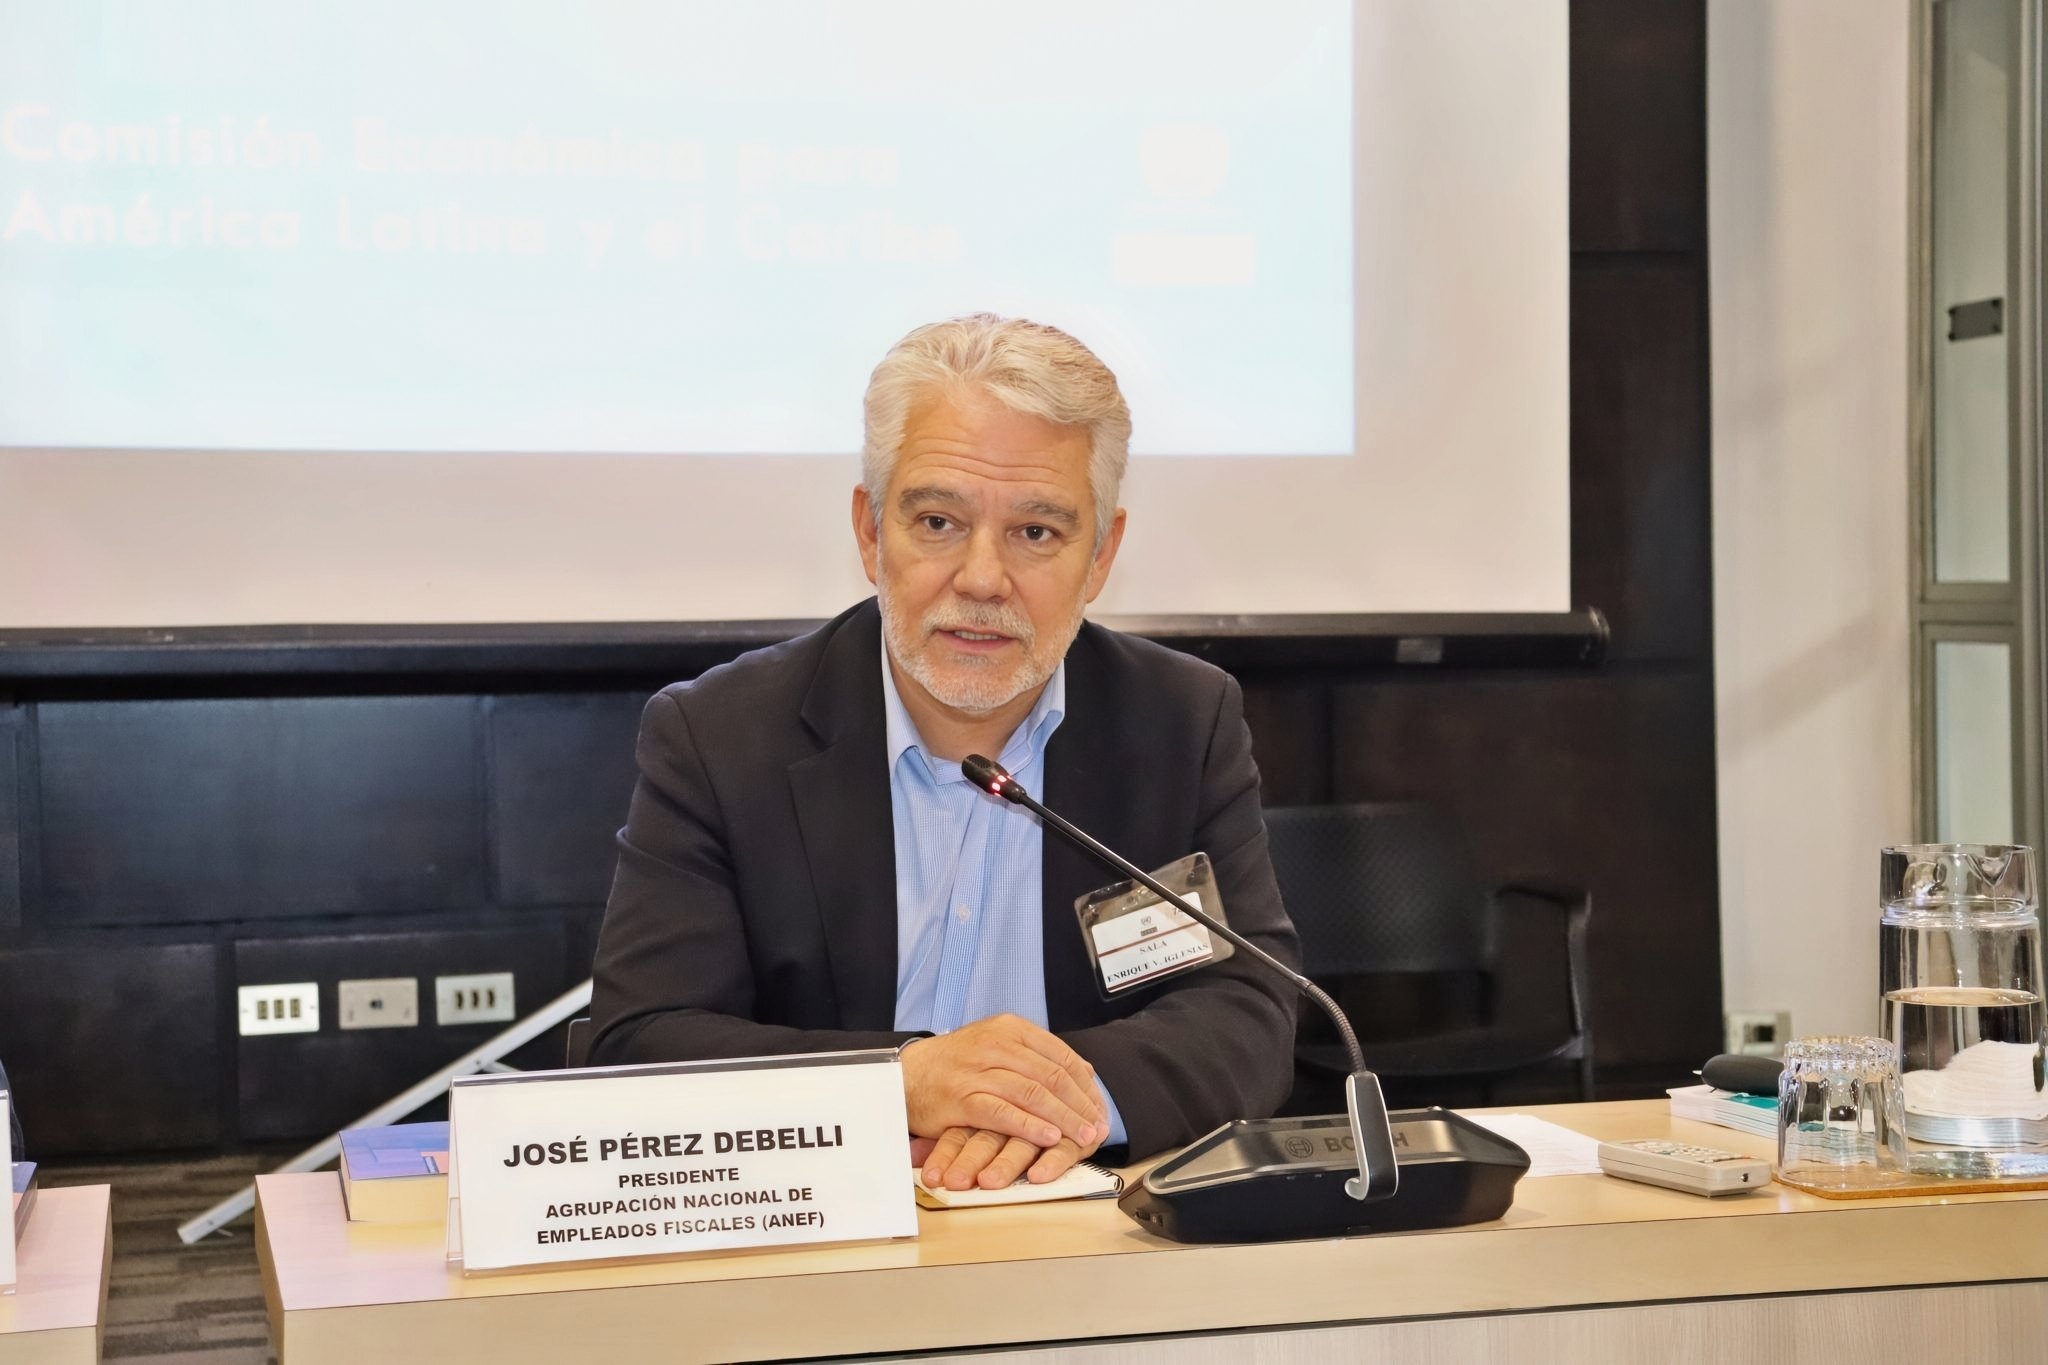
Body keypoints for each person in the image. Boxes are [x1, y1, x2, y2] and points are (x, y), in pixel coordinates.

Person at [588, 314, 1299, 1192]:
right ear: (869, 531)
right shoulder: (721, 736)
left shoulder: (1180, 722)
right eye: (937, 521)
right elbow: (642, 1039)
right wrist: (900, 1082)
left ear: (1101, 554)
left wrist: (1045, 1108)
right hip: (827, 1227)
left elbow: (1249, 1010)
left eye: (1036, 532)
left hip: (1085, 1216)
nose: (982, 578)